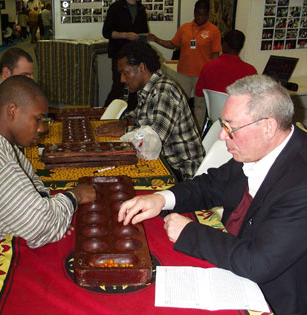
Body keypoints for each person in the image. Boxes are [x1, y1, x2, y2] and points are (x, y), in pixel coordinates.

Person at [118, 74, 307, 315]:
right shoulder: (255, 149)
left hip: (274, 296)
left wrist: (189, 232)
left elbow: (258, 263)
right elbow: (209, 185)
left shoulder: (301, 181)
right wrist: (160, 199)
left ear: (268, 126)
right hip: (234, 263)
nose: (221, 136)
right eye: (222, 124)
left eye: (230, 127)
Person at [0, 75, 96, 314]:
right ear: (12, 111)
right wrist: (74, 196)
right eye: (37, 119)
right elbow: (43, 225)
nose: (42, 129)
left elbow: (34, 185)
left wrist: (51, 210)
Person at [96, 41, 204, 181]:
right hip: (165, 162)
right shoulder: (150, 88)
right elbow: (138, 114)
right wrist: (124, 122)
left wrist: (124, 131)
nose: (122, 79)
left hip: (182, 173)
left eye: (125, 73)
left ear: (142, 67)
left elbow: (152, 141)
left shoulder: (164, 91)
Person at [148, 0, 221, 100]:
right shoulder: (184, 28)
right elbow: (172, 44)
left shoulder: (214, 31)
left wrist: (213, 74)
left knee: (200, 103)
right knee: (180, 100)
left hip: (202, 75)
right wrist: (156, 39)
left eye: (203, 14)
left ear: (207, 14)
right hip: (184, 73)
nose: (200, 17)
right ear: (194, 12)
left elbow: (215, 55)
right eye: (197, 13)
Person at [193, 30, 258, 132]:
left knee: (199, 102)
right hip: (236, 119)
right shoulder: (250, 70)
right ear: (240, 47)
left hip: (214, 116)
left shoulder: (208, 66)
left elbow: (198, 92)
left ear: (224, 45)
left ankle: (198, 132)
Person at [102, 0, 149, 110]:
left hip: (136, 56)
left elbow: (144, 32)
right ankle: (106, 113)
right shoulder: (116, 7)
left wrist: (144, 37)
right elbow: (106, 32)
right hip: (119, 55)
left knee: (135, 86)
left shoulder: (141, 9)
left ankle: (132, 114)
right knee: (119, 85)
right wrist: (124, 35)